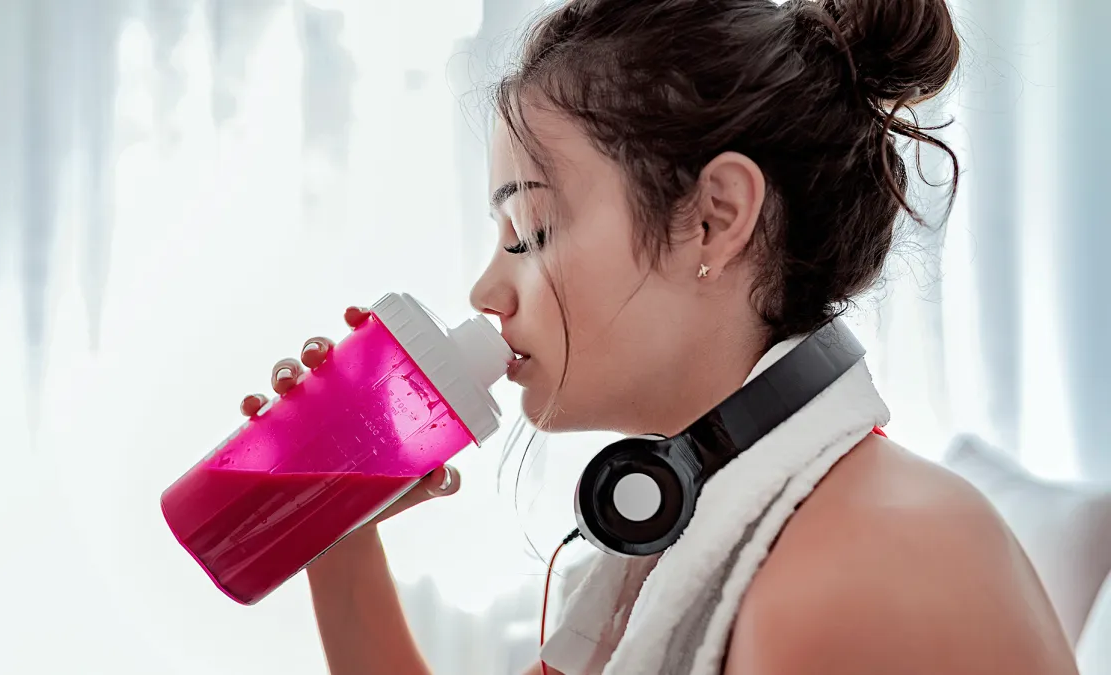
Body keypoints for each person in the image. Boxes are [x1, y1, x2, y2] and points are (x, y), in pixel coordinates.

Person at [239, 0, 1079, 672]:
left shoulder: (858, 583)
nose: (487, 291)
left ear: (714, 219)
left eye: (530, 231)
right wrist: (340, 538)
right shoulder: (697, 529)